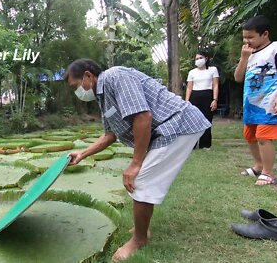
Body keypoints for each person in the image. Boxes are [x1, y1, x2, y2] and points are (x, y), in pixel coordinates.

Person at [64, 59, 211, 261]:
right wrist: (82, 154)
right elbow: (110, 135)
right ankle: (142, 229)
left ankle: (139, 240)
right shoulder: (102, 96)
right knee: (143, 180)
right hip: (166, 128)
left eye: (76, 86)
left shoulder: (117, 77)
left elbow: (143, 116)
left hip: (177, 124)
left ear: (88, 76)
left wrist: (135, 163)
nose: (78, 92)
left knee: (140, 180)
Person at [234, 15, 277, 185]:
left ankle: (268, 173)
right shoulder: (249, 53)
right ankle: (259, 166)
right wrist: (244, 57)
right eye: (244, 37)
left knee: (263, 137)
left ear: (265, 34)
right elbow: (238, 77)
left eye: (250, 37)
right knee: (250, 136)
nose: (247, 41)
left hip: (270, 102)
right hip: (251, 103)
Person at [185, 51, 219, 149]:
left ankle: (205, 144)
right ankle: (192, 144)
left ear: (206, 58)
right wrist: (187, 101)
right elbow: (189, 87)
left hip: (208, 96)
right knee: (193, 121)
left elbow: (215, 85)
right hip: (195, 96)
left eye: (200, 58)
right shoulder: (192, 72)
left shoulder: (213, 70)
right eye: (196, 59)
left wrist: (215, 99)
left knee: (207, 120)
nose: (198, 60)